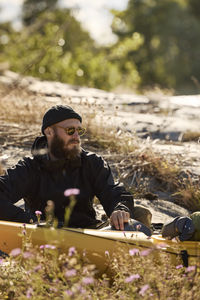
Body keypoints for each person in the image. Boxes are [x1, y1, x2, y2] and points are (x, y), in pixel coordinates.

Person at [0, 105, 151, 233]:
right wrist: (31, 221)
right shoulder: (29, 167)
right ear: (49, 132)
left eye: (80, 131)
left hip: (91, 234)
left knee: (137, 215)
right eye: (70, 130)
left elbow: (114, 192)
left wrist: (120, 209)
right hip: (44, 235)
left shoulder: (92, 162)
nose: (77, 136)